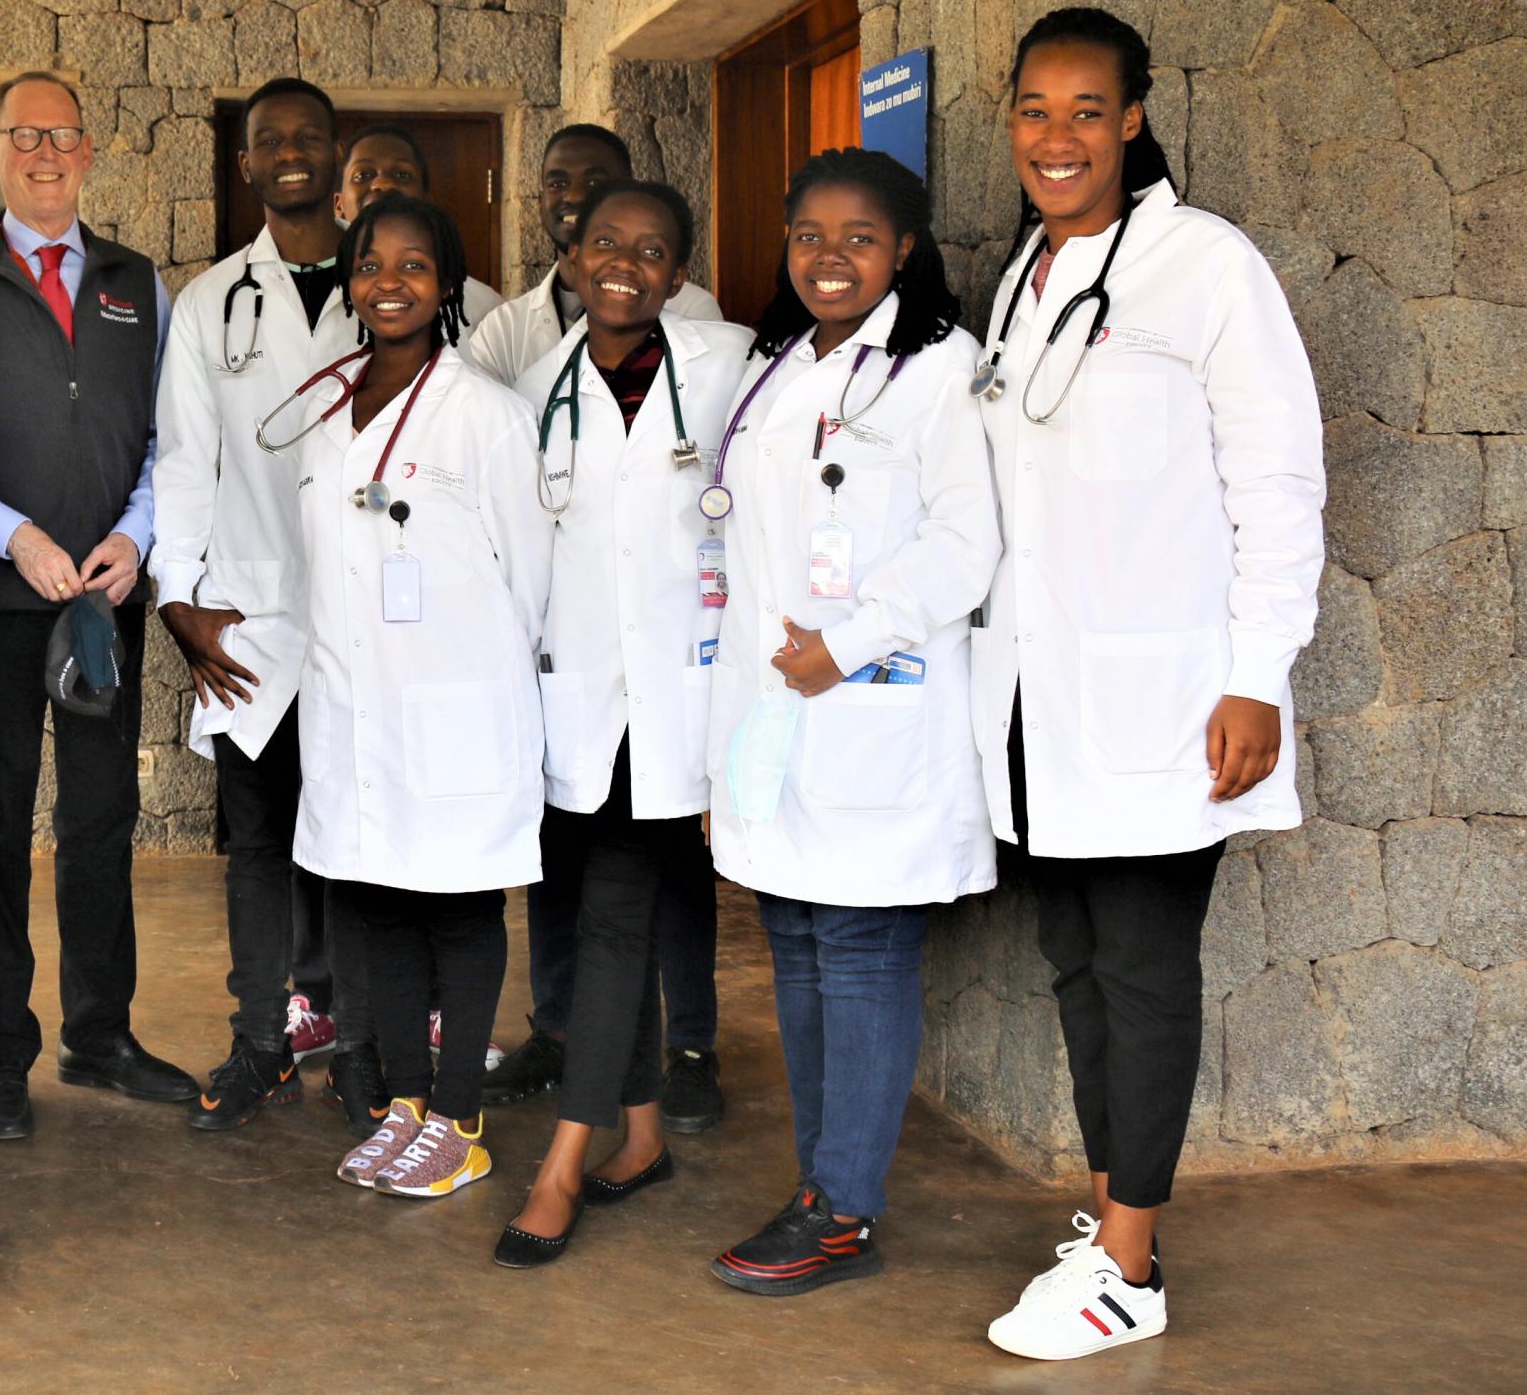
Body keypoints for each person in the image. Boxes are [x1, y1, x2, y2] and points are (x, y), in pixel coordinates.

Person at [975, 10, 1324, 1361]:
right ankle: (1124, 1216)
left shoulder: (1203, 266)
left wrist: (1255, 675)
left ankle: (1127, 1267)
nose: (1055, 138)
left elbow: (1278, 478)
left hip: (1171, 697)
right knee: (1075, 964)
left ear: (1132, 120)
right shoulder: (1025, 278)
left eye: (1084, 111)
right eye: (1033, 110)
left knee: (1141, 968)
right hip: (1039, 705)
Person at [700, 148, 998, 1297]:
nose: (831, 257)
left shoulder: (934, 369)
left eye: (859, 236)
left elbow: (963, 545)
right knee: (793, 943)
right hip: (776, 707)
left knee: (861, 952)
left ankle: (843, 1204)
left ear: (904, 249)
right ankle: (818, 1182)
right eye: (810, 235)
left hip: (869, 697)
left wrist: (851, 639)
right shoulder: (776, 367)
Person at [0, 70, 199, 1140]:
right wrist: (14, 536)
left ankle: (99, 1031)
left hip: (102, 603)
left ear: (87, 150)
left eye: (61, 136)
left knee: (99, 818)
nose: (43, 153)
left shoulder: (135, 279)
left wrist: (135, 535)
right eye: (22, 136)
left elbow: (174, 434)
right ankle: (0, 1051)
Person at [490, 182, 753, 1268]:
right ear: (571, 251)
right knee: (615, 917)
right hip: (579, 700)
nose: (624, 266)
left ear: (677, 272)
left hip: (688, 697)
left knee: (609, 922)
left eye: (651, 252)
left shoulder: (730, 365)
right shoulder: (532, 386)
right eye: (606, 244)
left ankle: (560, 1163)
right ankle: (641, 1134)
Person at [291, 194, 550, 1198]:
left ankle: (458, 1116)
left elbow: (529, 576)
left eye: (412, 264)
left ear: (446, 283)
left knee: (456, 903)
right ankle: (404, 1100)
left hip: (455, 701)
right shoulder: (327, 404)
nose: (387, 283)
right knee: (377, 905)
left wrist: (469, 669)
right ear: (349, 281)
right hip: (358, 704)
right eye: (369, 264)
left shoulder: (485, 413)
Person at [153, 78, 360, 1132]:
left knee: (363, 838)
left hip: (370, 615)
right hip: (248, 615)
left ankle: (358, 1038)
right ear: (244, 165)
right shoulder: (207, 303)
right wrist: (178, 598)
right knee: (259, 844)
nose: (288, 153)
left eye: (306, 137)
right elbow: (187, 459)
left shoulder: (394, 278)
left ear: (337, 155)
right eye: (266, 141)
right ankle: (260, 1043)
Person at [467, 124, 724, 389]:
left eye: (595, 183)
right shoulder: (503, 330)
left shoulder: (692, 309)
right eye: (557, 183)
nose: (574, 195)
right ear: (540, 201)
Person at [332, 123, 503, 327]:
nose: (383, 184)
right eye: (363, 175)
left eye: (403, 174)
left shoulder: (482, 308)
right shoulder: (306, 301)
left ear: (424, 199)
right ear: (338, 205)